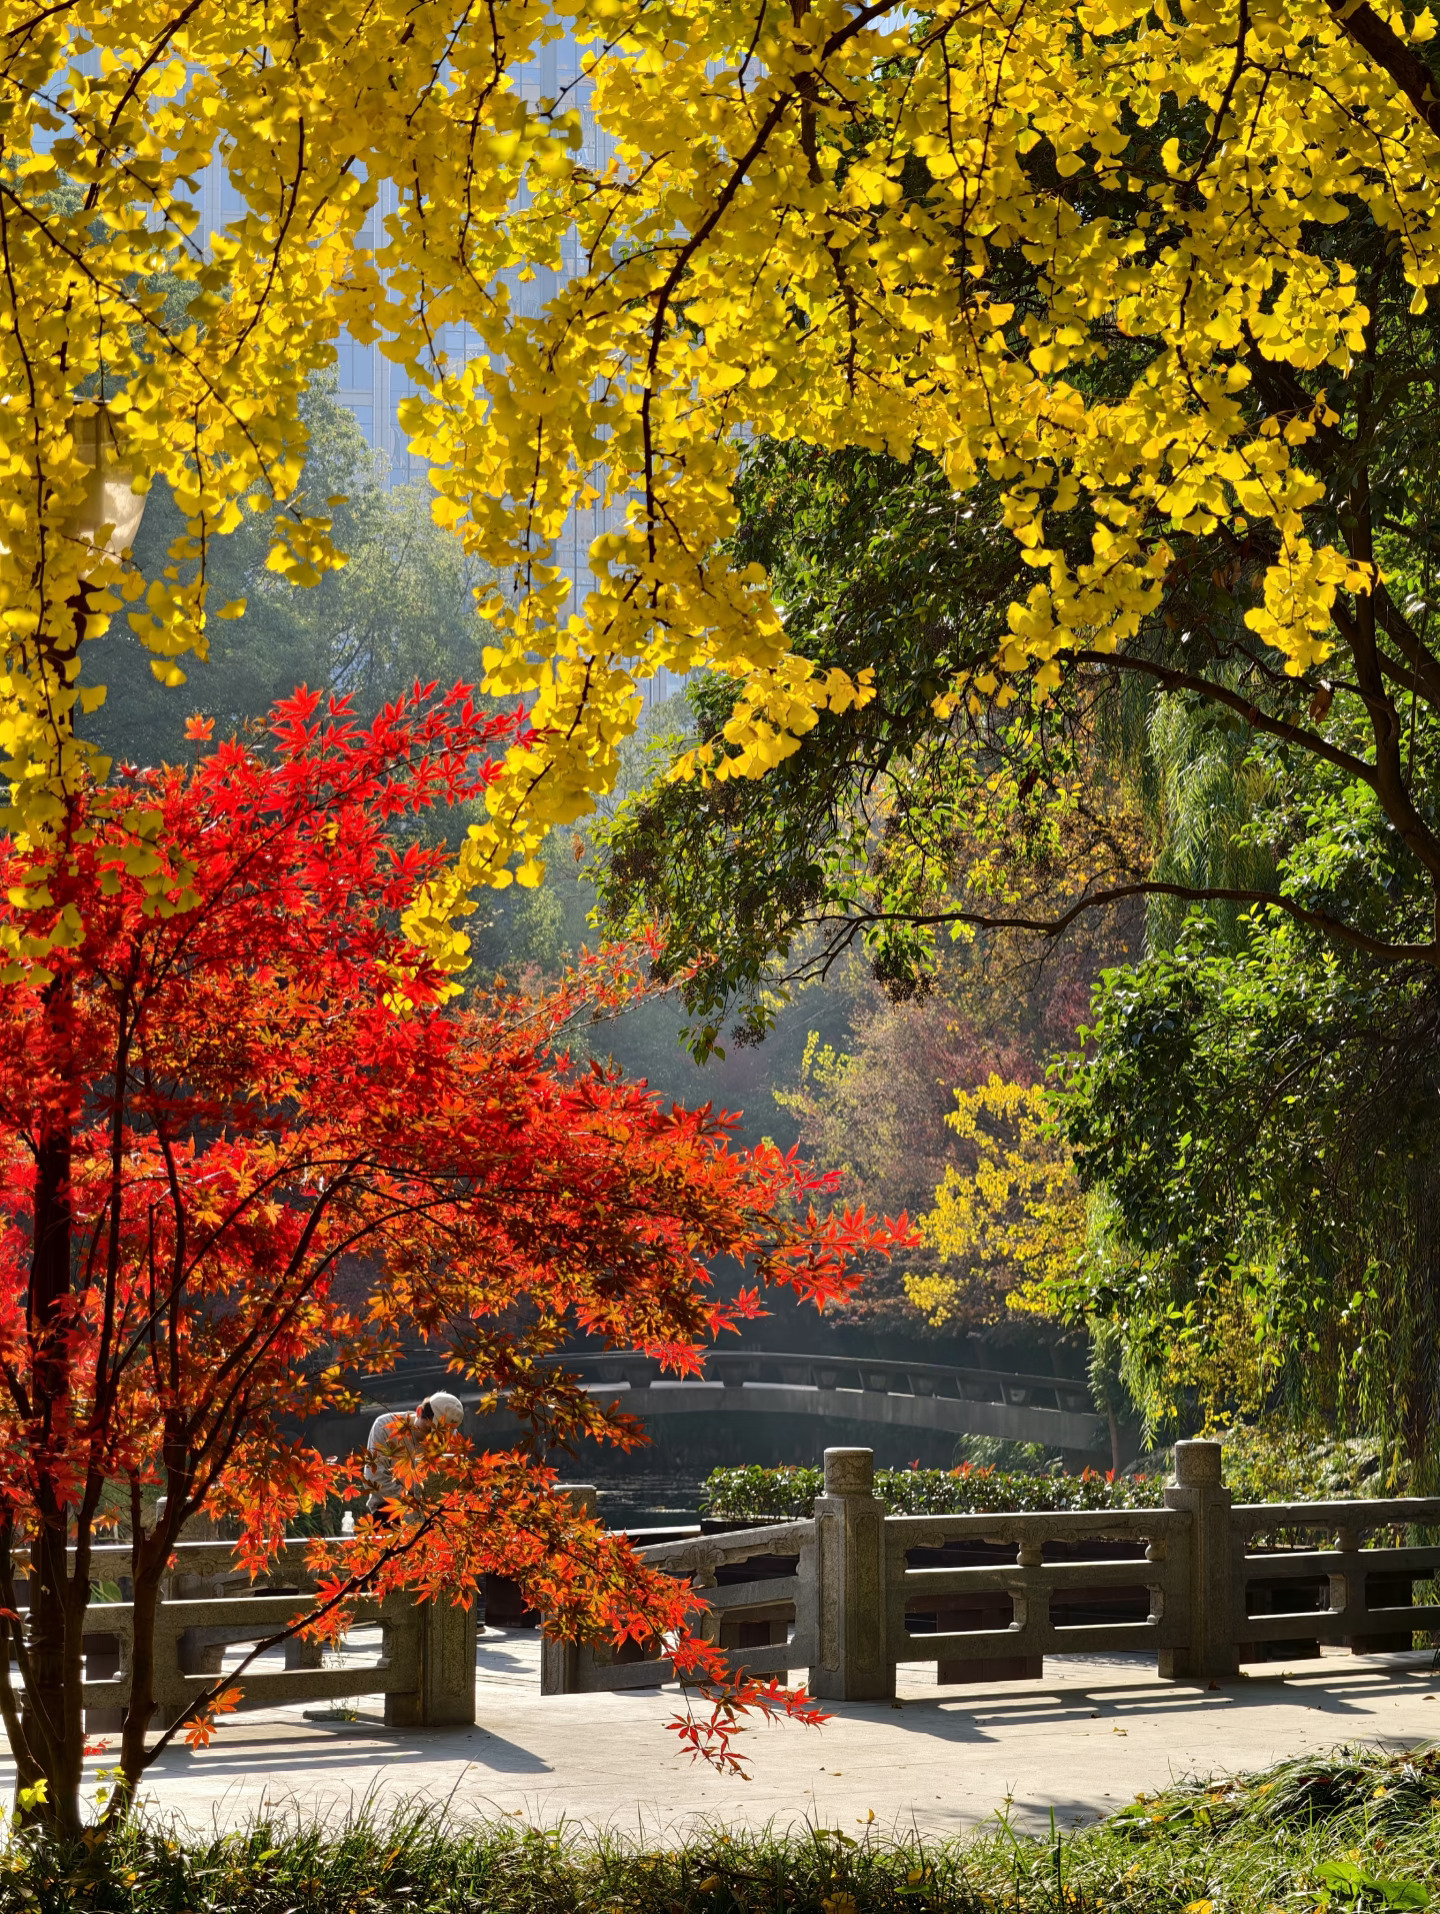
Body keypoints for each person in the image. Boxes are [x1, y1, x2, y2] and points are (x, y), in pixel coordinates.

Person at [364, 1391, 465, 1520]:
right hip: (390, 1510)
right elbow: (374, 1478)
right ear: (418, 1411)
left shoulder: (453, 1441)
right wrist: (413, 1499)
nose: (431, 1439)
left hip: (432, 1515)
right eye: (429, 1430)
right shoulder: (385, 1426)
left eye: (440, 1435)